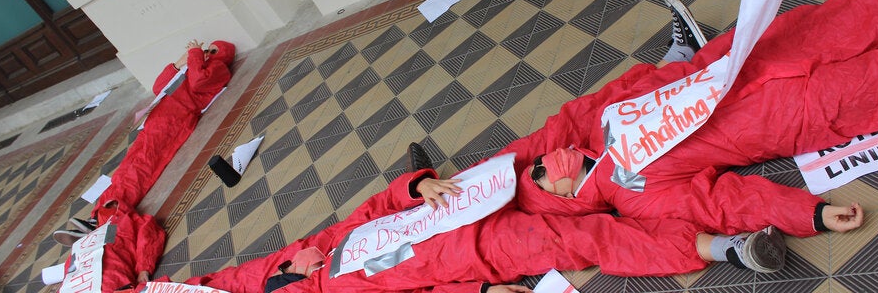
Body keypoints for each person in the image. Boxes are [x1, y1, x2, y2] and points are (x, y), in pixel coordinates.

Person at [500, 0, 878, 239]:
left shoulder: (605, 122)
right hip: (791, 115)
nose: (544, 161)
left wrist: (718, 50)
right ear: (567, 200)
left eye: (537, 161)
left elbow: (671, 76)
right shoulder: (630, 190)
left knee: (875, 6)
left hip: (762, 59)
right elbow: (722, 205)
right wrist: (809, 214)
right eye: (541, 176)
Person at [178, 145, 786, 293]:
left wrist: (417, 184)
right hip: (476, 251)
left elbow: (366, 216)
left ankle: (657, 149)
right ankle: (722, 248)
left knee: (559, 165)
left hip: (464, 200)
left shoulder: (260, 274)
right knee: (584, 237)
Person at [51, 40, 236, 292]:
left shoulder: (218, 69)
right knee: (128, 169)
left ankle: (104, 217)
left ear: (221, 55)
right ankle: (99, 218)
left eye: (212, 50)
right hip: (160, 118)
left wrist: (195, 55)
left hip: (175, 120)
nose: (206, 53)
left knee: (139, 170)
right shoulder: (192, 66)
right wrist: (178, 64)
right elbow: (161, 87)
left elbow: (199, 83)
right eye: (207, 50)